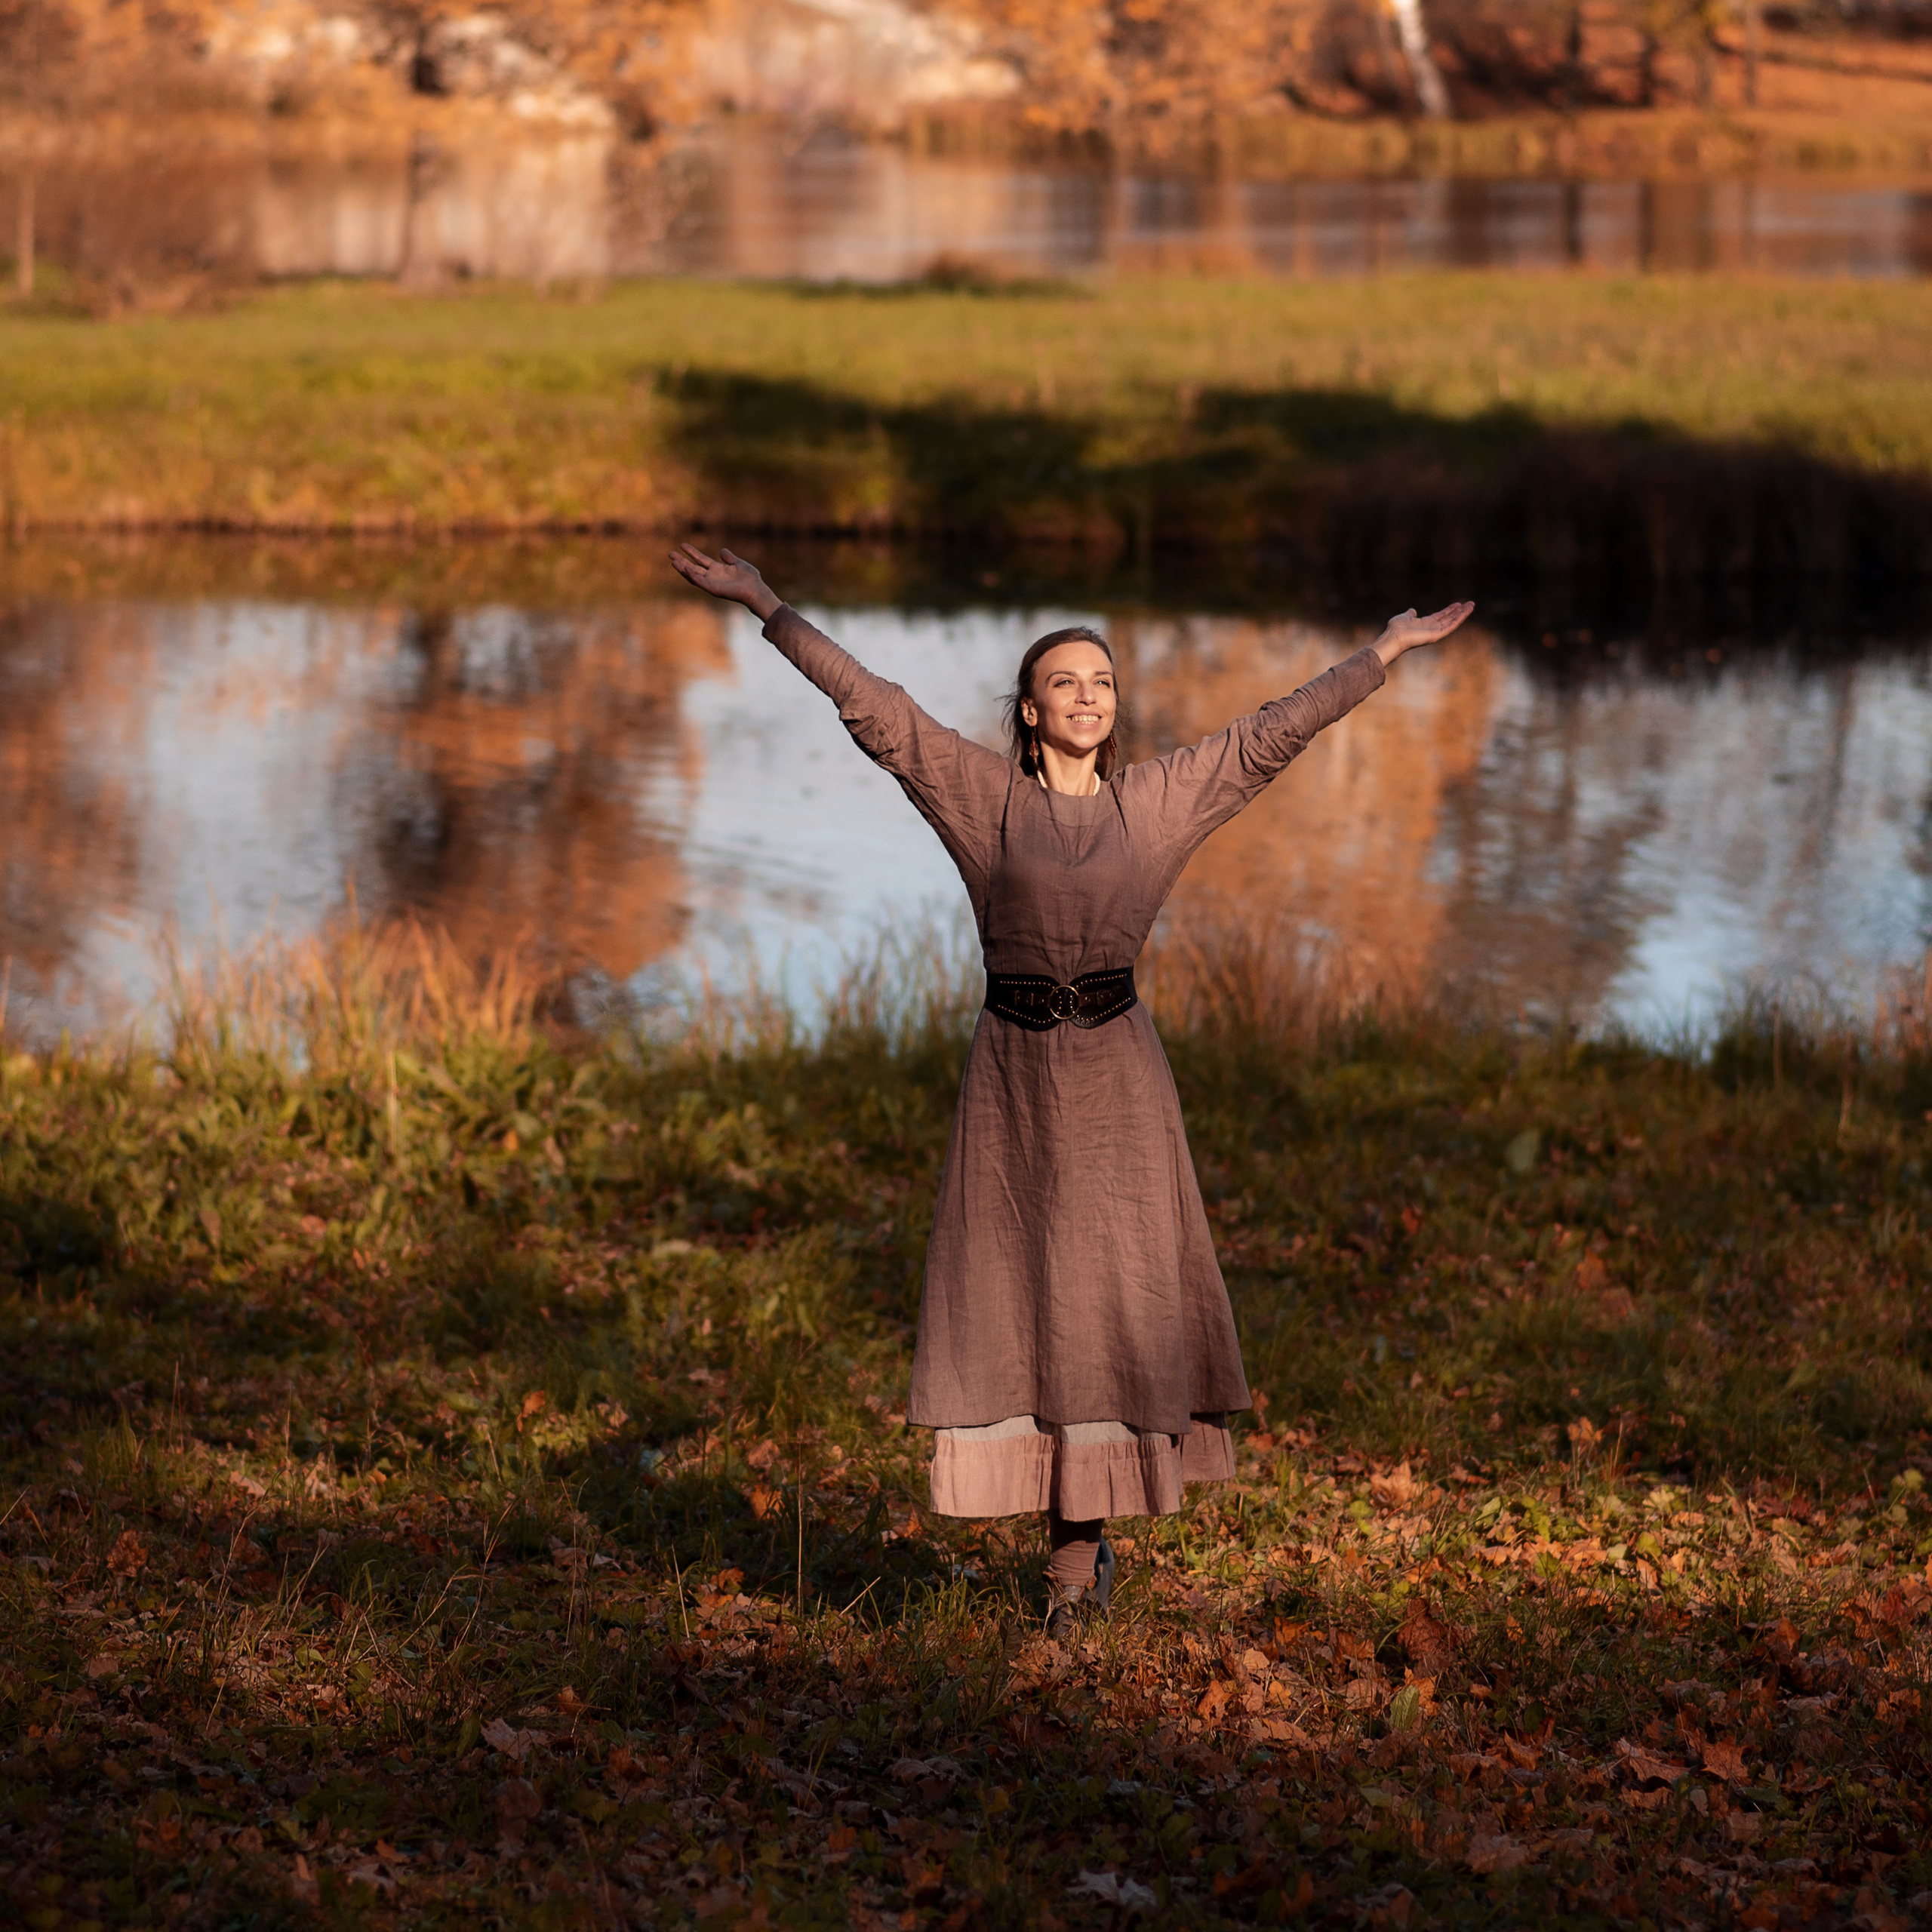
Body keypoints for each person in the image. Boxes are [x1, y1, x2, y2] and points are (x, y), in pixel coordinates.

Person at [668, 543, 1473, 1635]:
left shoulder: (1157, 804)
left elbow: (1272, 734)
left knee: (1101, 1309)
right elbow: (878, 711)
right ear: (1030, 709)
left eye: (1102, 681)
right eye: (1065, 682)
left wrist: (1384, 650)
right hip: (1011, 1088)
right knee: (1027, 1305)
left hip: (1117, 1090)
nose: (1088, 696)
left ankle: (1071, 1574)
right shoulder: (984, 801)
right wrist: (767, 604)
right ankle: (1072, 1553)